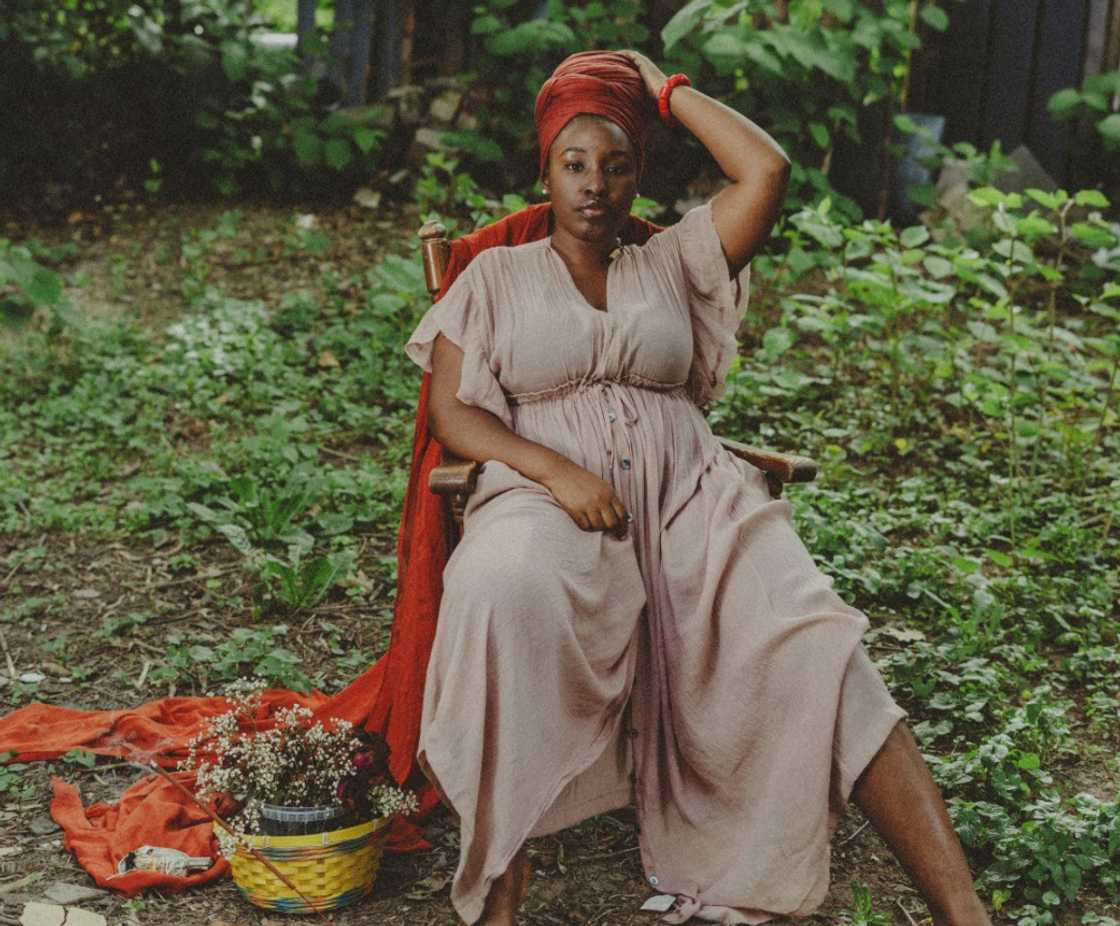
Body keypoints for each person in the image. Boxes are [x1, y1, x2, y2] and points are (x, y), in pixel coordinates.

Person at [404, 50, 993, 926]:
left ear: (642, 173)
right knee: (499, 586)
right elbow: (455, 414)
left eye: (617, 163)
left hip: (694, 498)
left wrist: (664, 91)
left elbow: (768, 170)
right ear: (545, 171)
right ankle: (501, 879)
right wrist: (559, 472)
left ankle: (964, 911)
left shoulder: (675, 259)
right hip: (550, 501)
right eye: (574, 163)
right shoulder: (494, 277)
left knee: (820, 645)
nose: (595, 185)